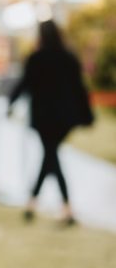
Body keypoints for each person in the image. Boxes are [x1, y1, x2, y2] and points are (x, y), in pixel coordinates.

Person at [7, 19, 94, 225]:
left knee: (50, 157)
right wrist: (87, 115)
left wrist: (10, 103)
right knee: (50, 157)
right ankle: (49, 206)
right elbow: (80, 89)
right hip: (65, 119)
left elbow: (24, 84)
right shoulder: (69, 58)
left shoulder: (36, 58)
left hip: (44, 118)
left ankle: (52, 206)